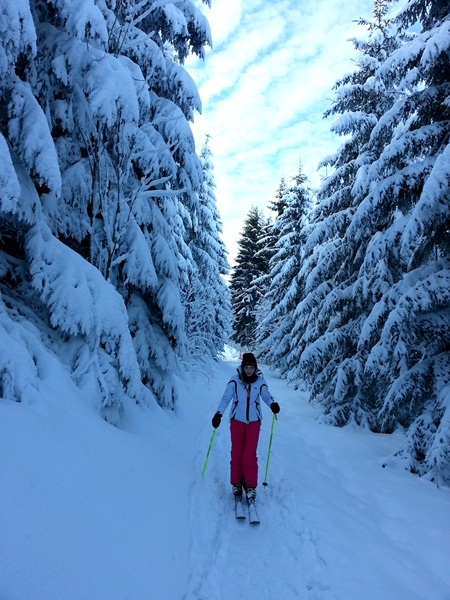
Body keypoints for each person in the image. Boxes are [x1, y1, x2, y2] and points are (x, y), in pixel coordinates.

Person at [211, 352, 280, 503]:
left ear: (255, 368)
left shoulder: (260, 382)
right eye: (246, 367)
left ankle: (250, 486)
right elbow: (226, 398)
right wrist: (218, 414)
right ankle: (236, 484)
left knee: (249, 455)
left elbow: (267, 396)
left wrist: (272, 404)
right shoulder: (234, 381)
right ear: (242, 367)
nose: (249, 370)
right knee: (236, 453)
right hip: (237, 421)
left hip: (254, 423)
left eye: (251, 367)